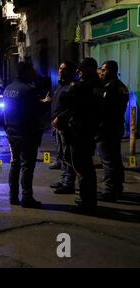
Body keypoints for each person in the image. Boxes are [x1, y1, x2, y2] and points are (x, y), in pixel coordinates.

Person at [53, 57, 104, 214]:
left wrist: (60, 118)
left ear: (88, 69)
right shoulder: (95, 85)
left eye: (81, 68)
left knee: (83, 168)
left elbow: (74, 104)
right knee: (83, 166)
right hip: (86, 130)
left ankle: (87, 204)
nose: (78, 71)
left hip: (81, 131)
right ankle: (87, 199)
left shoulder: (86, 86)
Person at [3, 62, 43, 208]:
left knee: (14, 164)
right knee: (27, 165)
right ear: (26, 72)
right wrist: (44, 103)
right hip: (27, 133)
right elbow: (35, 112)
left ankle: (13, 196)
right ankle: (27, 197)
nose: (34, 72)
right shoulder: (28, 90)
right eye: (32, 70)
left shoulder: (8, 89)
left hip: (12, 132)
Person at [96, 60, 129, 202]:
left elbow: (103, 110)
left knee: (108, 160)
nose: (101, 73)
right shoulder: (122, 86)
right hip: (116, 126)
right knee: (115, 159)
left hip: (107, 128)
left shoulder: (109, 88)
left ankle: (110, 191)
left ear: (111, 70)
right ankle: (117, 188)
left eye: (103, 70)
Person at [50, 62, 77, 194]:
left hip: (67, 127)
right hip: (58, 127)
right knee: (62, 155)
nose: (61, 71)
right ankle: (64, 179)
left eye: (64, 69)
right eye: (60, 68)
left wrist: (59, 118)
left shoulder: (72, 87)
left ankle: (68, 183)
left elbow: (71, 108)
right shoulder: (60, 86)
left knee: (68, 155)